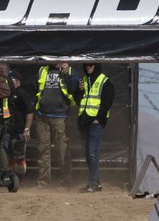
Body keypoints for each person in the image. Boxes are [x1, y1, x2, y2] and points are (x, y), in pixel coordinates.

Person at [30, 61, 77, 187]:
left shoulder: (70, 70)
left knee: (63, 150)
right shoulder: (42, 70)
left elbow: (74, 89)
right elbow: (36, 89)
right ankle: (43, 182)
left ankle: (65, 183)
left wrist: (66, 73)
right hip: (42, 116)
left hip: (61, 117)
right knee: (43, 150)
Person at [75, 60, 114, 192]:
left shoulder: (105, 81)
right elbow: (78, 100)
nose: (88, 67)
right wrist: (79, 90)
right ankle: (96, 183)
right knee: (87, 153)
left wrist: (98, 119)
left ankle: (92, 184)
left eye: (90, 65)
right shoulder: (84, 81)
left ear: (96, 66)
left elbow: (107, 103)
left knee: (92, 153)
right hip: (84, 122)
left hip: (96, 123)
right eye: (86, 65)